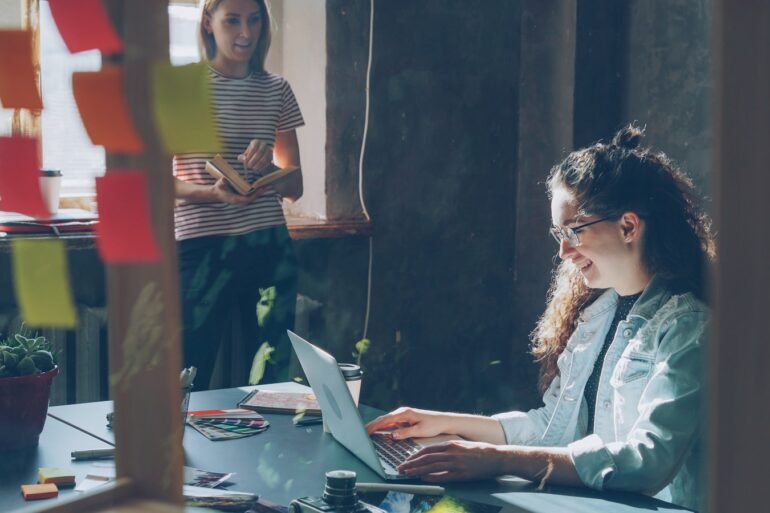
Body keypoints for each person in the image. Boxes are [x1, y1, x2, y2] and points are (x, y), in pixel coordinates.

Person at [366, 125, 715, 511]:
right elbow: (552, 426)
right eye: (558, 233)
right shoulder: (598, 313)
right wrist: (445, 424)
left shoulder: (690, 327)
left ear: (628, 226)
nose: (563, 250)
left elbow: (648, 462)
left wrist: (497, 458)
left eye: (573, 231)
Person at [173, 0, 304, 389]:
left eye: (254, 20)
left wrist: (269, 170)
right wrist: (214, 194)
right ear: (208, 23)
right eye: (232, 20)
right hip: (201, 247)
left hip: (267, 246)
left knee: (269, 383)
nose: (246, 33)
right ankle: (177, 452)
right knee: (187, 377)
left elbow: (294, 187)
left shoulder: (277, 89)